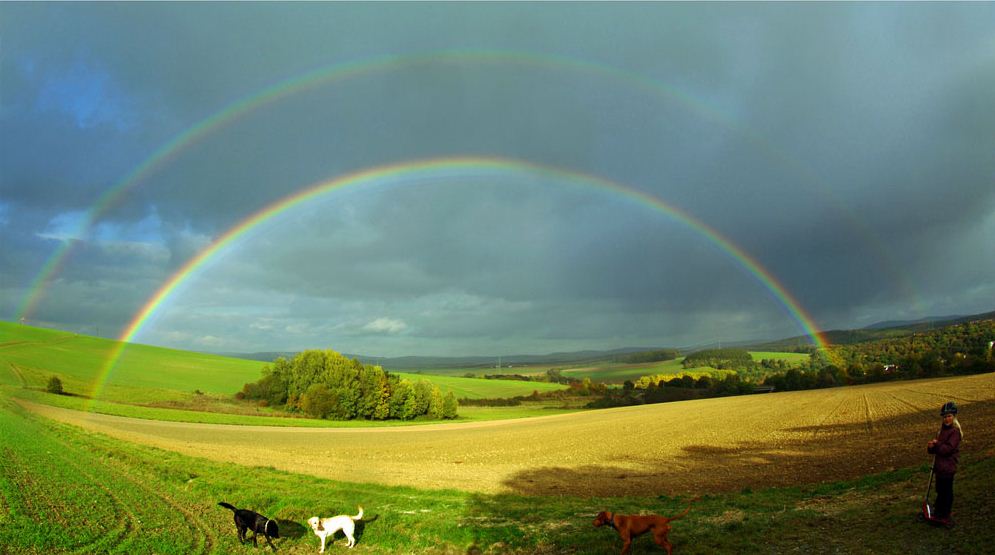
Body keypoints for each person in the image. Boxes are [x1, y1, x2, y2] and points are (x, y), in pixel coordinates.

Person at [926, 401, 963, 524]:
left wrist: (937, 445)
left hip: (948, 467)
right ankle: (939, 512)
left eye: (949, 416)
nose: (947, 419)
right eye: (945, 417)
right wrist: (931, 447)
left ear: (954, 417)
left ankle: (945, 514)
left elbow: (947, 450)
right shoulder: (941, 431)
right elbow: (937, 450)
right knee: (940, 490)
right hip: (939, 468)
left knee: (946, 492)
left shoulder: (955, 432)